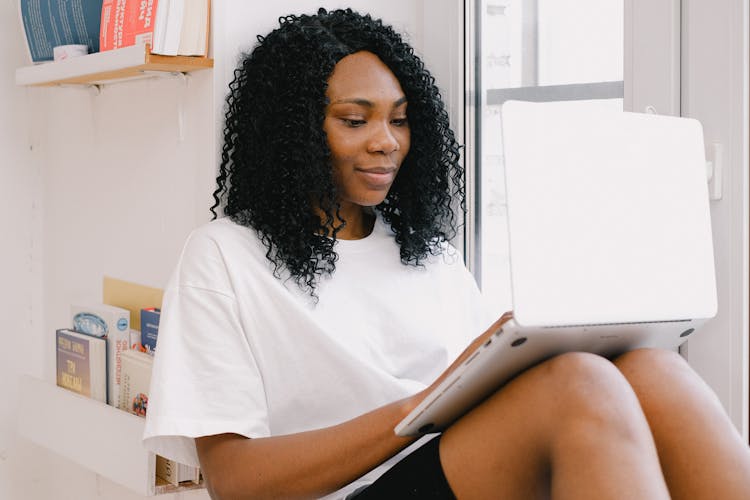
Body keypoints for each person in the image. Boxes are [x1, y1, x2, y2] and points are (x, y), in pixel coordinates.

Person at [143, 8, 750, 499]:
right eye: (355, 120)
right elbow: (235, 481)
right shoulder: (223, 257)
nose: (386, 142)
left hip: (444, 470)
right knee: (579, 385)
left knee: (652, 366)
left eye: (401, 121)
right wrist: (415, 410)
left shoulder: (427, 255)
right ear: (292, 132)